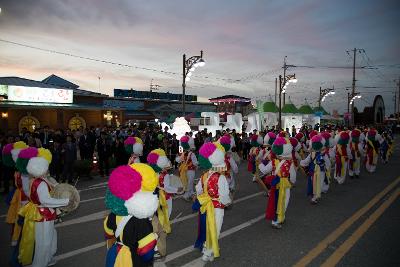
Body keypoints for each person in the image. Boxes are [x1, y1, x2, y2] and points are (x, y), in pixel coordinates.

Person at [17, 148, 69, 267]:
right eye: (46, 167)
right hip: (44, 214)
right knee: (44, 242)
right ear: (42, 168)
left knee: (44, 240)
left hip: (39, 212)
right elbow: (46, 200)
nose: (48, 169)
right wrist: (65, 201)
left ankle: (46, 260)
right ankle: (40, 263)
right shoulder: (41, 183)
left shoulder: (35, 180)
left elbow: (52, 185)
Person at [104, 163, 158, 267]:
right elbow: (147, 253)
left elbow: (108, 234)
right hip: (133, 260)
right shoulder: (141, 221)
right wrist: (155, 237)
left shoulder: (113, 214)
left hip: (115, 255)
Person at [194, 142, 231, 262]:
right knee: (216, 229)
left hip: (206, 206)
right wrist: (228, 202)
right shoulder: (221, 177)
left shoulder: (204, 175)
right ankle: (207, 251)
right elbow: (224, 195)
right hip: (217, 207)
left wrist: (204, 197)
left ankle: (208, 249)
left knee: (208, 227)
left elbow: (198, 189)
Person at [147, 149, 183, 258]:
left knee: (157, 217)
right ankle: (158, 241)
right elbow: (167, 188)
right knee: (166, 216)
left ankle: (155, 235)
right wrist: (178, 190)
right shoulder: (164, 175)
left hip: (155, 197)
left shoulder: (152, 173)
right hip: (165, 197)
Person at [258, 137, 296, 229]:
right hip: (285, 183)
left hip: (275, 184)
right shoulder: (289, 163)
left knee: (275, 201)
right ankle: (278, 219)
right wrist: (292, 183)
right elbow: (293, 175)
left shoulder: (274, 162)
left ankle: (277, 218)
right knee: (284, 200)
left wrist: (259, 164)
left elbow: (264, 170)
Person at [300, 135, 330, 204]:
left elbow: (306, 162)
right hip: (321, 171)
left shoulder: (311, 154)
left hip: (312, 171)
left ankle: (314, 197)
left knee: (313, 183)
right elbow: (328, 163)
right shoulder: (324, 154)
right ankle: (316, 196)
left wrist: (301, 162)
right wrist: (328, 169)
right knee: (319, 183)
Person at [176, 135, 198, 201]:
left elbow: (178, 160)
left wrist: (177, 157)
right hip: (191, 170)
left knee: (188, 182)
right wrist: (198, 163)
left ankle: (190, 193)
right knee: (190, 182)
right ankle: (186, 195)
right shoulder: (192, 154)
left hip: (185, 170)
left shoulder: (184, 153)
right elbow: (195, 163)